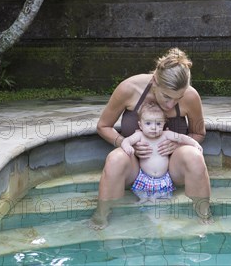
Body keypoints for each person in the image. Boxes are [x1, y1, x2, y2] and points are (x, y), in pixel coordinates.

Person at [89, 48, 212, 229]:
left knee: (194, 156)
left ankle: (205, 216)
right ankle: (101, 217)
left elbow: (199, 133)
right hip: (136, 166)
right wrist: (122, 142)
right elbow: (103, 126)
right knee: (114, 158)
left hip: (172, 168)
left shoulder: (191, 96)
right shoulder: (129, 88)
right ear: (155, 81)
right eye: (167, 97)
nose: (170, 105)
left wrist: (177, 143)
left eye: (178, 99)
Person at [122, 101, 203, 203]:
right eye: (148, 123)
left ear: (164, 124)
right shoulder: (139, 136)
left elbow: (182, 138)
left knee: (164, 201)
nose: (153, 127)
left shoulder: (166, 135)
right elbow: (126, 140)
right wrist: (127, 146)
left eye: (158, 123)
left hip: (163, 179)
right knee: (143, 200)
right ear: (140, 125)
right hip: (144, 178)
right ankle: (143, 203)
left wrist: (195, 144)